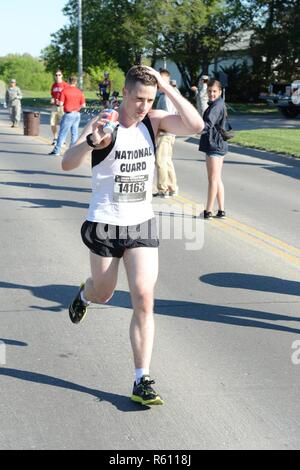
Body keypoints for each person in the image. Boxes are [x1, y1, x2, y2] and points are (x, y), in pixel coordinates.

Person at [61, 65, 204, 406]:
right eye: (138, 98)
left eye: (149, 99)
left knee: (144, 296)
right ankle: (86, 293)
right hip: (105, 223)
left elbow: (197, 126)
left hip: (141, 222)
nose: (143, 105)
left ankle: (142, 378)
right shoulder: (104, 122)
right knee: (104, 293)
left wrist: (168, 90)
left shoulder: (154, 122)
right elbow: (67, 163)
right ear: (124, 93)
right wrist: (90, 143)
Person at [199, 79, 227, 220]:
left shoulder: (216, 106)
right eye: (209, 91)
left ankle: (208, 211)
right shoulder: (218, 104)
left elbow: (208, 123)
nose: (211, 94)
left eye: (214, 91)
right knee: (217, 178)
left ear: (220, 91)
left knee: (212, 179)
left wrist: (197, 128)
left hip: (214, 144)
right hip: (218, 143)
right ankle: (221, 210)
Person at [154, 69, 179, 198]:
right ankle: (172, 187)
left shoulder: (165, 97)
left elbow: (167, 116)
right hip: (170, 133)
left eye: (161, 80)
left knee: (160, 161)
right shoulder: (171, 94)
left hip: (165, 133)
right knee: (167, 161)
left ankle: (162, 189)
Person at [49, 76, 85, 157]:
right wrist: (77, 107)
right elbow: (83, 104)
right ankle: (72, 152)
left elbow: (61, 104)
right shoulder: (79, 92)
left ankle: (57, 150)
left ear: (68, 81)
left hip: (68, 114)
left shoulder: (64, 91)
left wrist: (57, 102)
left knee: (62, 133)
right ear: (76, 82)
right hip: (77, 114)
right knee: (74, 133)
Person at [50, 70, 68, 145]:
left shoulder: (65, 85)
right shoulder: (54, 85)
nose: (57, 76)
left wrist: (62, 102)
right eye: (56, 75)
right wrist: (52, 99)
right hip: (54, 106)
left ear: (62, 75)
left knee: (63, 124)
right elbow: (53, 95)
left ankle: (62, 139)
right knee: (52, 123)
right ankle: (55, 138)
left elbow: (67, 96)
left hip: (62, 107)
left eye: (59, 75)